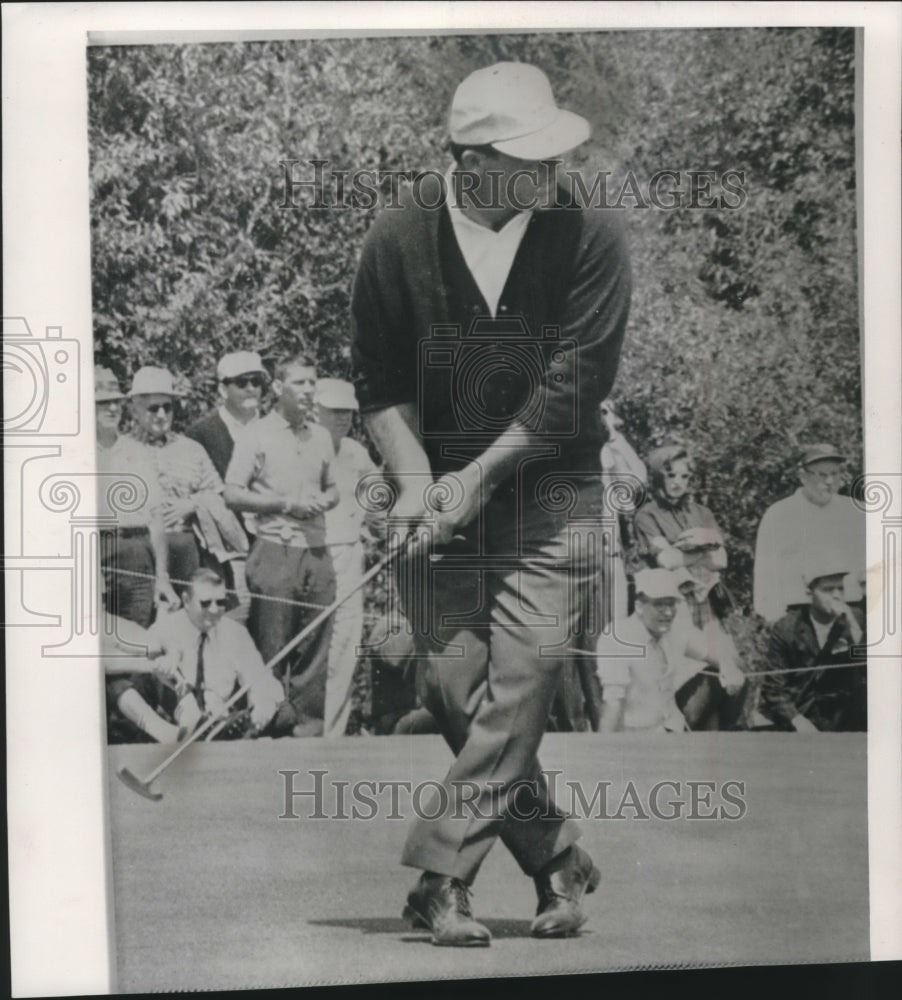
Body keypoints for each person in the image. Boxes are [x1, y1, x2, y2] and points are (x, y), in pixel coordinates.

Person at [351, 62, 631, 945]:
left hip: (554, 491)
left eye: (555, 156)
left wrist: (469, 482)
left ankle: (441, 879)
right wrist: (411, 483)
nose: (551, 175)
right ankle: (556, 858)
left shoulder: (591, 230)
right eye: (528, 160)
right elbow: (381, 386)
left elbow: (570, 390)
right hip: (439, 493)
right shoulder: (395, 239)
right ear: (466, 160)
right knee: (450, 688)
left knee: (523, 680)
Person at [223, 355, 339, 737]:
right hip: (274, 549)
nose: (308, 391)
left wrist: (327, 499)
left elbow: (334, 487)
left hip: (317, 552)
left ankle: (307, 735)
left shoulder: (320, 435)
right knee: (272, 649)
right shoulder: (255, 435)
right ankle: (267, 733)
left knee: (316, 646)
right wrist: (285, 504)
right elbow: (232, 494)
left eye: (312, 383)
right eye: (300, 383)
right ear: (278, 388)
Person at [127, 366, 245, 595]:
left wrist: (192, 504)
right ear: (134, 410)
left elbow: (220, 496)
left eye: (167, 407)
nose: (162, 415)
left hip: (188, 554)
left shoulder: (191, 450)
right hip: (141, 554)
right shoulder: (121, 450)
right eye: (153, 408)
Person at [597, 569, 746, 733]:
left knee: (733, 674)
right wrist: (606, 748)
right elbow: (613, 702)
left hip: (671, 729)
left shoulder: (676, 630)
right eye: (659, 604)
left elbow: (714, 651)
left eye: (671, 604)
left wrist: (729, 668)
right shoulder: (617, 638)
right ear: (639, 606)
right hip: (633, 736)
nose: (668, 612)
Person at [146, 569, 286, 738]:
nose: (214, 610)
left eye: (220, 602)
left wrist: (262, 706)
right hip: (174, 727)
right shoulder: (163, 630)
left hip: (221, 724)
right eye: (205, 603)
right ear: (186, 600)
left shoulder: (235, 633)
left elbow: (259, 679)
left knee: (283, 715)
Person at [315, 377, 378, 738]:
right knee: (313, 648)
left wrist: (372, 521)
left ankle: (333, 734)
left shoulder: (355, 451)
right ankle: (304, 730)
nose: (342, 418)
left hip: (349, 555)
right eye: (334, 411)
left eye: (347, 413)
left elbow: (377, 493)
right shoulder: (304, 445)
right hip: (312, 556)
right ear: (317, 410)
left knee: (345, 645)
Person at [186, 350, 268, 622]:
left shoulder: (276, 429)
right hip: (224, 557)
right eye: (241, 382)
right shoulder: (201, 434)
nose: (251, 389)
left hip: (272, 546)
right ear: (223, 388)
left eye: (256, 381)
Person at [95, 366, 178, 628]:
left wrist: (161, 575)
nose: (112, 409)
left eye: (116, 402)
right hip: (93, 550)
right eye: (102, 403)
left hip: (135, 553)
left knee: (138, 640)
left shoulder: (137, 452)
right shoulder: (72, 454)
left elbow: (155, 518)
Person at [753, 443, 865, 624]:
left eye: (835, 474)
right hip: (797, 616)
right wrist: (773, 620)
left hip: (850, 613)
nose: (829, 481)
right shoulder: (779, 515)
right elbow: (765, 575)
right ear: (802, 476)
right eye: (821, 475)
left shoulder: (856, 512)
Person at [759, 561, 867, 732]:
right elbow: (774, 688)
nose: (837, 595)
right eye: (828, 590)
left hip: (845, 715)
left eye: (841, 588)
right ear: (809, 593)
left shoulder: (856, 619)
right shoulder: (788, 628)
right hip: (801, 714)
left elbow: (871, 671)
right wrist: (797, 721)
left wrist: (853, 628)